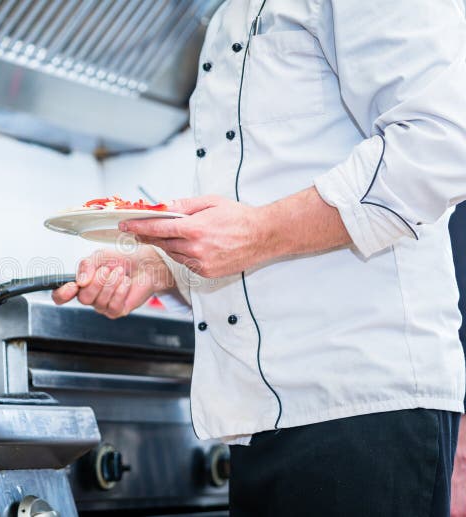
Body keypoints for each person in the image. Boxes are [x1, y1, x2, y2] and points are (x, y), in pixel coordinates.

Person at [52, 1, 466, 515]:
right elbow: (266, 209)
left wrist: (256, 232)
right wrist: (165, 268)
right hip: (260, 419)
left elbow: (441, 145)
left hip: (363, 408)